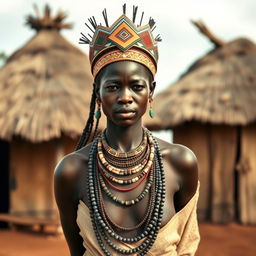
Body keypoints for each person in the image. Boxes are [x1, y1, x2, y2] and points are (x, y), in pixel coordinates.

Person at [54, 5, 200, 256]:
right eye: (112, 87)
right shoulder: (71, 170)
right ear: (97, 94)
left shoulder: (180, 162)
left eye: (136, 86)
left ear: (150, 92)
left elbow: (187, 245)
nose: (125, 97)